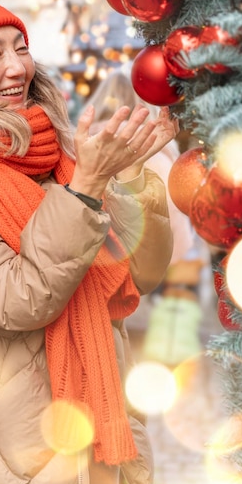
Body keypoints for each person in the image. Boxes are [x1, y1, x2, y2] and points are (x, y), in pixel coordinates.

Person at [0, 0, 178, 484]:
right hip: (4, 452)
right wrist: (85, 189)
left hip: (100, 431)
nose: (16, 67)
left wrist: (132, 179)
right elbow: (17, 299)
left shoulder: (62, 158)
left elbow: (142, 275)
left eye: (21, 48)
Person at [83, 69, 206, 365]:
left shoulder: (84, 144)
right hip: (151, 258)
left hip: (98, 264)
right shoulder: (150, 146)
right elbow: (169, 210)